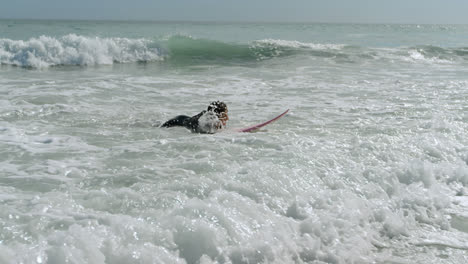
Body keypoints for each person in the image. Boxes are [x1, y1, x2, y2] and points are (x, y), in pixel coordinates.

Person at [161, 101, 229, 133]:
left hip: (183, 118)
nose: (227, 118)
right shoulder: (208, 122)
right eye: (225, 115)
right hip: (178, 121)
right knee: (159, 128)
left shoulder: (211, 120)